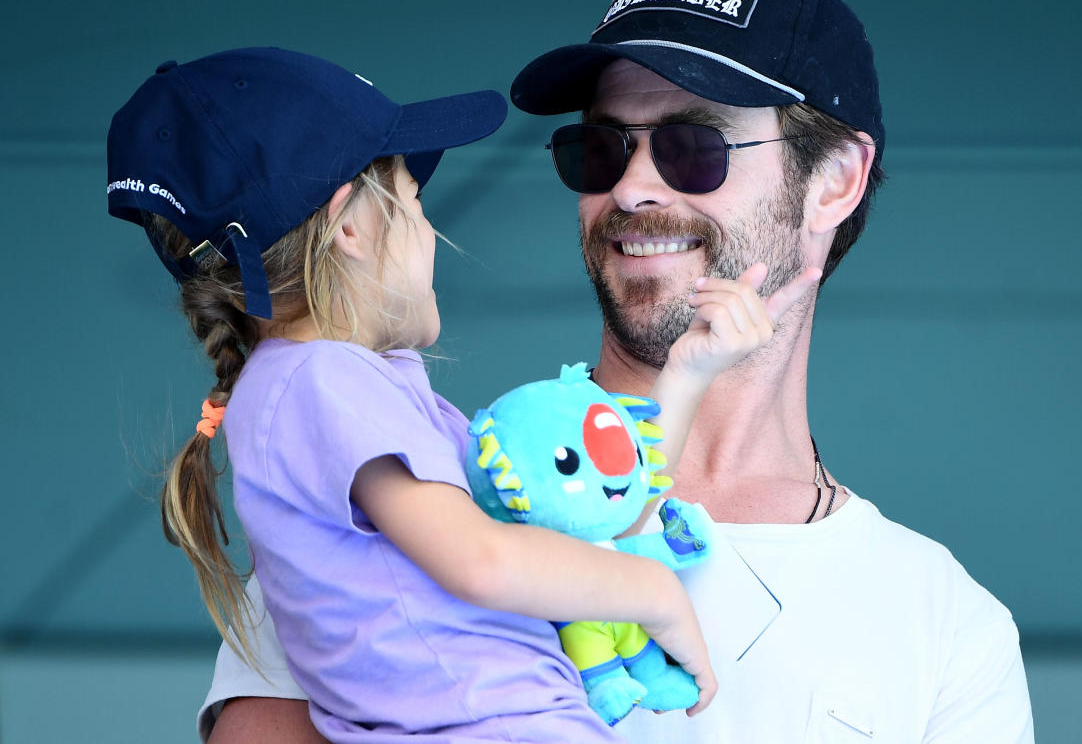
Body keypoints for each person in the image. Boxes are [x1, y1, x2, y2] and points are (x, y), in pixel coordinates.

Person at [198, 0, 1036, 744]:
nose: (632, 187)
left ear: (836, 182)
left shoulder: (944, 623)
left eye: (693, 147)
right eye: (600, 148)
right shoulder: (401, 479)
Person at [107, 46, 815, 742]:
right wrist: (654, 595)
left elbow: (607, 510)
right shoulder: (320, 379)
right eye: (415, 205)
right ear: (351, 225)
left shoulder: (314, 391)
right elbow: (484, 562)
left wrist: (687, 372)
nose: (429, 234)